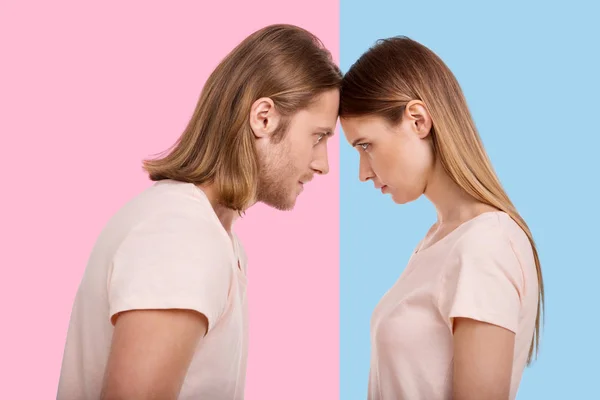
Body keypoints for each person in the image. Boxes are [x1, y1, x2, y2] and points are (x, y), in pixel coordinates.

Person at [57, 24, 341, 400]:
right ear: (264, 118)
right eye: (318, 136)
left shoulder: (212, 237)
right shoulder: (182, 236)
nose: (323, 164)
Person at [340, 36, 544, 400]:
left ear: (418, 120)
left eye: (365, 145)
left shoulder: (486, 245)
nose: (362, 172)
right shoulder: (441, 240)